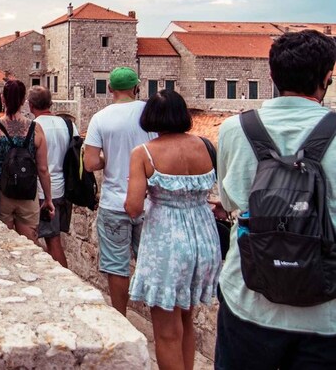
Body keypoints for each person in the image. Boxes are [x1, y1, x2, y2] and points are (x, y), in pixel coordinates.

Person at [214, 30, 336, 369]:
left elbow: (228, 199)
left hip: (249, 300)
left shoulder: (234, 129)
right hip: (326, 315)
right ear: (327, 77)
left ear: (272, 76)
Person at [125, 90, 221, 370]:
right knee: (186, 319)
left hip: (167, 240)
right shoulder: (205, 146)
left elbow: (133, 207)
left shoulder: (144, 153)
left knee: (166, 331)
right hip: (203, 237)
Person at [84, 66, 155, 316]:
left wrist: (109, 159)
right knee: (151, 261)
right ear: (137, 86)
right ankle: (160, 318)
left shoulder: (100, 118)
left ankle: (120, 317)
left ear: (111, 89)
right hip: (149, 203)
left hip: (114, 202)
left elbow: (90, 163)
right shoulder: (150, 113)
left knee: (117, 266)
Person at [0, 80, 54, 242]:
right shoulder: (35, 128)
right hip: (28, 193)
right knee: (29, 246)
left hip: (1, 193)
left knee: (2, 243)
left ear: (2, 99)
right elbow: (43, 169)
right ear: (24, 100)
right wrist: (48, 199)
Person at [27, 86, 71, 267]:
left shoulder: (34, 127)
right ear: (51, 103)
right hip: (63, 189)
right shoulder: (69, 125)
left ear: (30, 106)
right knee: (54, 238)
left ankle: (64, 283)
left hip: (42, 192)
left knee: (47, 240)